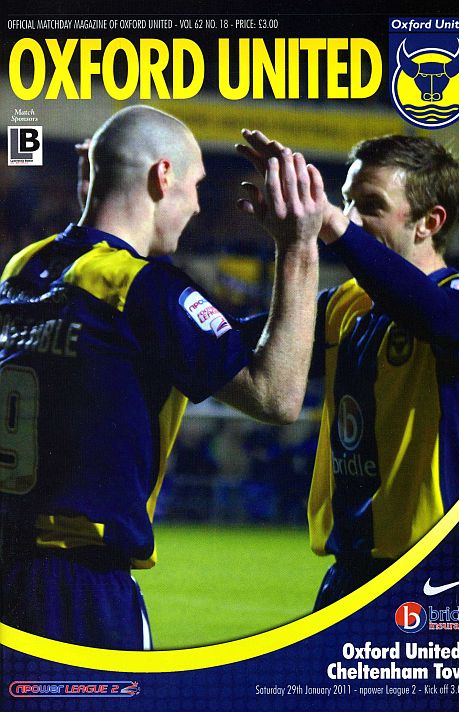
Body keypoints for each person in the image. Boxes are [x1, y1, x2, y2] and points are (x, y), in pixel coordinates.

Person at [0, 106, 326, 649]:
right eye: (196, 185)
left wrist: (99, 188)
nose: (197, 205)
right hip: (79, 589)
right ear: (163, 176)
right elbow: (277, 396)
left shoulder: (24, 266)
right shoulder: (144, 288)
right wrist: (298, 245)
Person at [238, 132, 459, 608]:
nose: (352, 217)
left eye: (371, 206)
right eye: (346, 201)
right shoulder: (346, 305)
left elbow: (435, 318)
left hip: (436, 578)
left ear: (429, 222)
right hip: (348, 573)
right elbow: (239, 344)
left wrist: (334, 225)